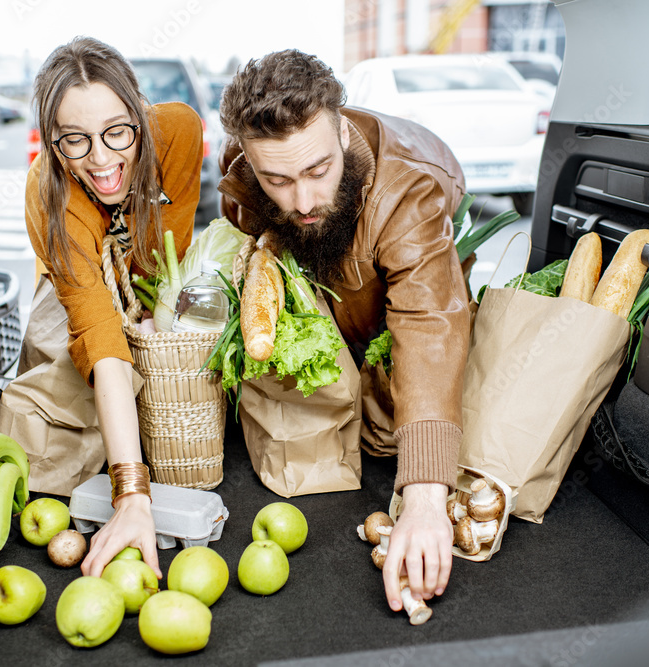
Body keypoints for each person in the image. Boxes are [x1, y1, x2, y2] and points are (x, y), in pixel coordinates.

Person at [217, 49, 470, 614]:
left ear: (340, 125)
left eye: (318, 170)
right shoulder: (245, 163)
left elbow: (429, 324)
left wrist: (426, 499)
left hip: (396, 317)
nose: (303, 201)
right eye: (277, 180)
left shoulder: (409, 190)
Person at [24, 36, 203, 579]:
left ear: (139, 118)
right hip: (81, 288)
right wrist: (131, 493)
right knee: (82, 365)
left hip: (143, 272)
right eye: (75, 141)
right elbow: (99, 333)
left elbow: (169, 244)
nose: (101, 159)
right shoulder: (47, 192)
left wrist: (154, 312)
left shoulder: (178, 130)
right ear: (54, 143)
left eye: (116, 133)